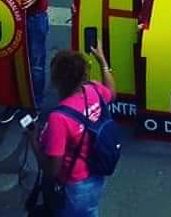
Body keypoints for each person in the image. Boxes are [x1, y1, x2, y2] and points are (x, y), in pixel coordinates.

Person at [35, 46, 116, 216]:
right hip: (97, 176)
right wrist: (103, 62)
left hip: (75, 185)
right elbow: (112, 94)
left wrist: (32, 140)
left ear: (56, 80)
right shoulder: (94, 89)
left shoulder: (59, 118)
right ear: (83, 77)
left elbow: (52, 170)